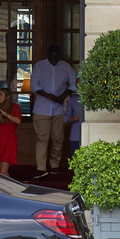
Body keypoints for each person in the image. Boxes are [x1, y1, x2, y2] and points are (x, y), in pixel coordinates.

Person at [29, 45, 76, 174]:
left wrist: (64, 94)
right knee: (42, 139)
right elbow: (34, 85)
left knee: (58, 139)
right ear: (48, 55)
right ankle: (41, 168)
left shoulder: (66, 67)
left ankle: (54, 165)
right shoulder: (39, 66)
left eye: (56, 58)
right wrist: (48, 95)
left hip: (60, 109)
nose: (54, 60)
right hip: (42, 109)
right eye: (52, 58)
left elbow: (73, 84)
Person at [0, 91, 21, 177]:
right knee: (1, 173)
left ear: (7, 97)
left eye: (1, 95)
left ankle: (7, 189)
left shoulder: (15, 107)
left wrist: (6, 114)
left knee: (3, 172)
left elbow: (18, 120)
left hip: (8, 139)